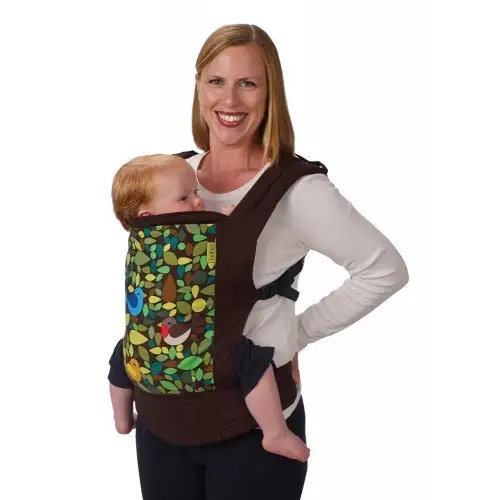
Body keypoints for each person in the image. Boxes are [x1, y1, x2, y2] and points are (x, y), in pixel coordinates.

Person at [108, 23, 409, 500]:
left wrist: (298, 335)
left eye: (248, 83)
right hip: (160, 425)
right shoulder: (168, 177)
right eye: (216, 81)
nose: (230, 99)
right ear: (198, 87)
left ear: (271, 94)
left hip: (251, 429)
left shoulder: (297, 191)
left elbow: (384, 270)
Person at [109, 153, 310, 462]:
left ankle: (122, 420)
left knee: (121, 360)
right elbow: (229, 240)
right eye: (184, 198)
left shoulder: (139, 238)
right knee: (253, 363)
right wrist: (229, 217)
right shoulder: (197, 235)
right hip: (200, 348)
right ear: (149, 215)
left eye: (196, 192)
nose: (198, 202)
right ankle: (275, 433)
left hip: (145, 347)